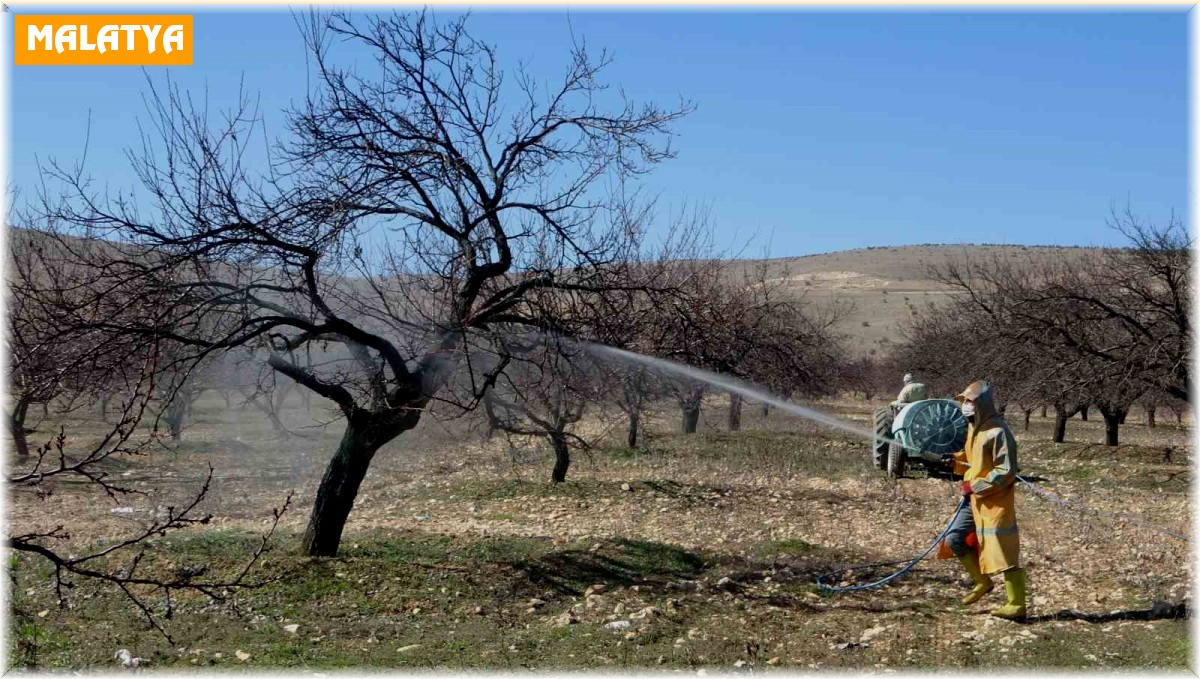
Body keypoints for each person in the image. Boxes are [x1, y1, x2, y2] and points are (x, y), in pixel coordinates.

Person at [936, 380, 1027, 620]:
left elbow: (1006, 471)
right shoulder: (974, 428)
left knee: (1003, 551)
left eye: (970, 401)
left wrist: (975, 486)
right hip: (972, 500)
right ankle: (982, 583)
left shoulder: (998, 432)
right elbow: (970, 458)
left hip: (993, 502)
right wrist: (954, 460)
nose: (965, 405)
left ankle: (1017, 604)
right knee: (954, 538)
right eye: (964, 400)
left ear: (982, 403)